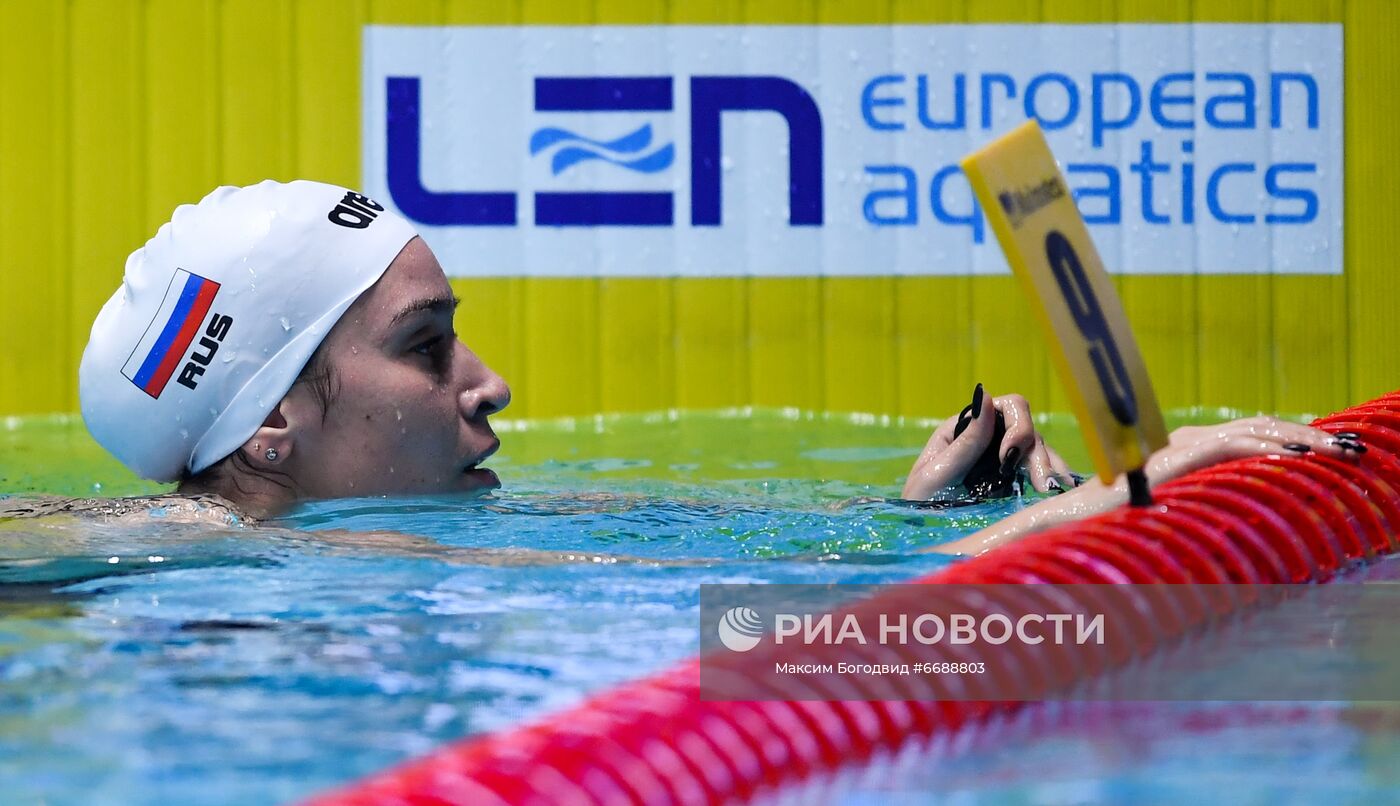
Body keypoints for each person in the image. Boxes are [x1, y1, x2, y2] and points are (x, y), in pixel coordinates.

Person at [70, 180, 1363, 554]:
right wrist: (1109, 515)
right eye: (425, 346)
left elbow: (744, 589)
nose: (492, 380)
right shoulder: (170, 563)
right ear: (278, 415)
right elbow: (758, 639)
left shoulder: (465, 543)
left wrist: (919, 528)